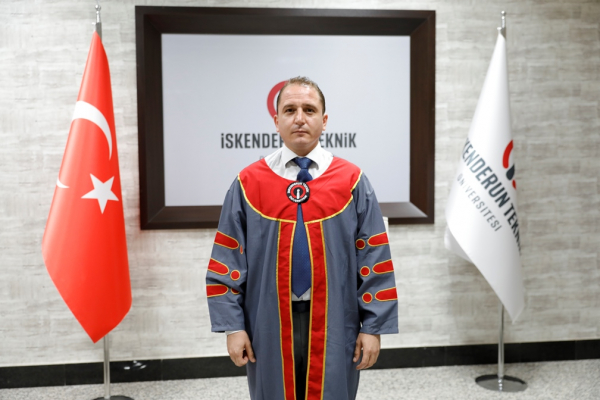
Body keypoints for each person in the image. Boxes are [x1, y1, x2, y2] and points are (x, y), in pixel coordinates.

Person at [206, 77, 398, 400]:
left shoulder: (352, 181)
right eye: (290, 110)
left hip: (337, 320)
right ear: (276, 121)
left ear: (324, 120)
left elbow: (374, 259)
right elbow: (228, 260)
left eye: (309, 110)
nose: (299, 118)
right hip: (266, 319)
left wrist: (373, 327)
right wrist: (233, 326)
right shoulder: (248, 183)